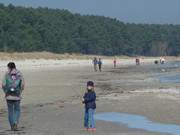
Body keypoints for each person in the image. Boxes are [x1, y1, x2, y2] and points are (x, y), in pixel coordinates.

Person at [2, 62, 25, 131]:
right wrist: (20, 92)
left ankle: (12, 126)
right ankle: (15, 122)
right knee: (17, 110)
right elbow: (22, 85)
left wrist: (5, 92)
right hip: (17, 96)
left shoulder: (6, 74)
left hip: (8, 96)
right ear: (15, 67)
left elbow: (3, 85)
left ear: (9, 67)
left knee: (10, 111)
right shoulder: (19, 74)